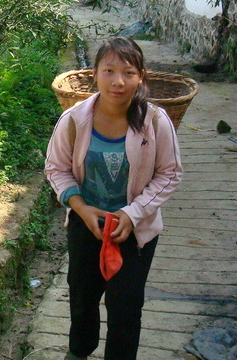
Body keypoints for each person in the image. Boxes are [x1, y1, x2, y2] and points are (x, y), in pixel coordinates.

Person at [44, 37, 182, 360]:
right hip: (86, 225)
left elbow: (170, 173)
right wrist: (81, 208)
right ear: (95, 74)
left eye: (128, 72)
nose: (118, 81)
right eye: (109, 70)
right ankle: (79, 352)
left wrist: (133, 214)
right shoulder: (75, 120)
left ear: (141, 77)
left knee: (126, 307)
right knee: (82, 297)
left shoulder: (155, 122)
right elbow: (55, 168)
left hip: (135, 232)